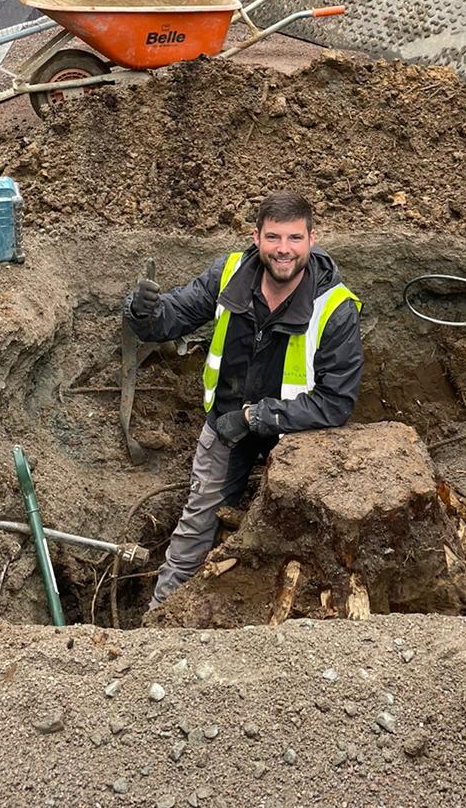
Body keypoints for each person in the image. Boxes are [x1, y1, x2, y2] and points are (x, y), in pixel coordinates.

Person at [126, 192, 363, 611]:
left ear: (312, 238)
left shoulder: (335, 308)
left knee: (296, 536)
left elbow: (334, 404)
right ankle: (159, 617)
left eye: (294, 238)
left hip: (297, 441)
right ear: (256, 237)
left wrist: (257, 416)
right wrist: (144, 313)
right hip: (225, 425)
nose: (283, 249)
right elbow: (172, 317)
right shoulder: (230, 273)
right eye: (273, 237)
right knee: (197, 526)